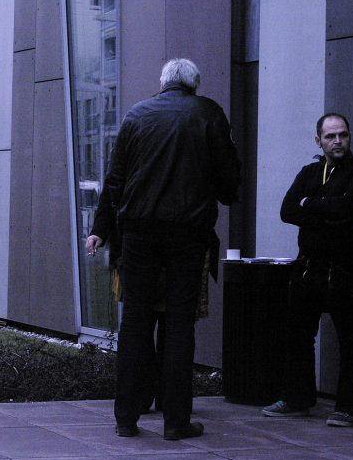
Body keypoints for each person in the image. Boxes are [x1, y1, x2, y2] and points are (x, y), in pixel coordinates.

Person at [85, 58, 240, 440]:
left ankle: (126, 418)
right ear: (194, 85)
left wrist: (102, 229)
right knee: (178, 324)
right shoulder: (208, 113)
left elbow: (115, 180)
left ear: (163, 83)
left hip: (138, 233)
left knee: (135, 322)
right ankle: (175, 421)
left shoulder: (136, 115)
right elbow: (228, 184)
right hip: (188, 233)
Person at [261, 113, 353, 427]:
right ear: (318, 140)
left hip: (346, 271)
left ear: (349, 136)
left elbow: (344, 209)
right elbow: (287, 210)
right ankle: (297, 399)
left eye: (343, 135)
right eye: (330, 136)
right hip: (309, 269)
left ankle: (350, 408)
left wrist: (309, 203)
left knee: (352, 341)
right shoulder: (309, 172)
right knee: (298, 336)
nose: (338, 141)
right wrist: (328, 210)